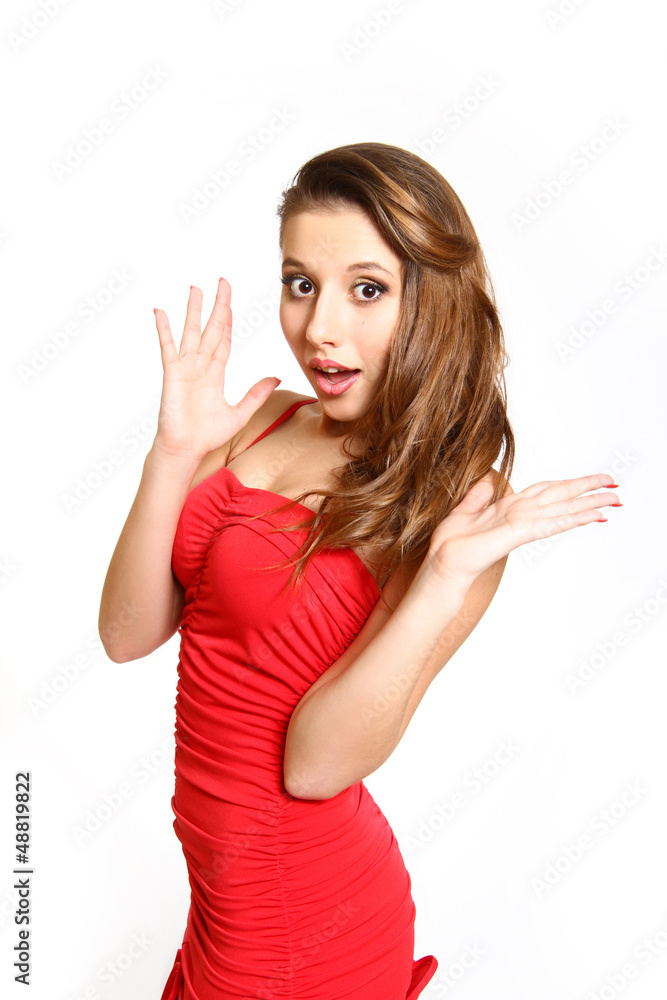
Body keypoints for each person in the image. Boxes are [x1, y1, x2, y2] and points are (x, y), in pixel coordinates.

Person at [98, 142, 620, 999]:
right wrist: (174, 453)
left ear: (431, 301)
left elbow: (312, 769)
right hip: (221, 904)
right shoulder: (259, 419)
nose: (319, 327)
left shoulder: (452, 504)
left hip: (306, 922)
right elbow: (126, 635)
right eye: (300, 282)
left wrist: (441, 580)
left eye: (366, 289)